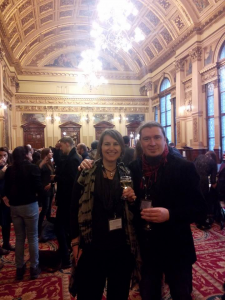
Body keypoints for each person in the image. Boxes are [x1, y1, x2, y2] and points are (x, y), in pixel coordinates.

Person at [128, 121, 206, 300]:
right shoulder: (133, 168)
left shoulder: (184, 168)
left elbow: (200, 209)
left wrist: (170, 214)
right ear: (140, 142)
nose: (152, 143)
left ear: (165, 140)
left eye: (157, 137)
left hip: (176, 245)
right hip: (146, 248)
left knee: (181, 294)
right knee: (149, 294)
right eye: (147, 139)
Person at [70, 129, 140, 300]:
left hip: (121, 246)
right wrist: (74, 241)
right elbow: (73, 207)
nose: (111, 148)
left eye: (115, 144)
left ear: (122, 148)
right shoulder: (86, 171)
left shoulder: (127, 173)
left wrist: (133, 200)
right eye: (107, 144)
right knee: (89, 293)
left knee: (118, 294)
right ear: (100, 147)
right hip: (92, 245)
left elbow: (134, 209)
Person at [3, 146, 44, 280]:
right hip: (30, 205)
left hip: (15, 206)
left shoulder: (10, 170)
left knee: (20, 238)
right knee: (32, 237)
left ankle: (19, 268)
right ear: (26, 155)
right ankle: (34, 267)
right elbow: (39, 188)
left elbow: (6, 188)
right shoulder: (33, 168)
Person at [52, 136, 81, 268]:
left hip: (68, 200)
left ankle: (65, 257)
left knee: (59, 227)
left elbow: (73, 181)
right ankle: (67, 252)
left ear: (67, 144)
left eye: (61, 146)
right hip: (66, 199)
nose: (60, 148)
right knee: (65, 227)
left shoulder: (74, 159)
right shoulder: (71, 157)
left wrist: (57, 177)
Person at [194, 151, 217, 229]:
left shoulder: (199, 156)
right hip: (203, 181)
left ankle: (195, 218)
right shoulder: (213, 162)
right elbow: (213, 181)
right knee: (203, 200)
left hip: (193, 179)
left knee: (196, 199)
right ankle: (202, 220)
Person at [0, 147, 14, 254]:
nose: (2, 158)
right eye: (0, 156)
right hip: (1, 199)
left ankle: (6, 243)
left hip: (7, 201)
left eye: (4, 156)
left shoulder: (8, 167)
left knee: (6, 223)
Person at [38, 148, 55, 235]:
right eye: (50, 152)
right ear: (46, 154)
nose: (52, 153)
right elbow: (38, 173)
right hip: (45, 189)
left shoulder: (49, 163)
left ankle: (47, 225)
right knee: (45, 208)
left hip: (50, 187)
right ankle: (38, 227)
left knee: (48, 209)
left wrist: (51, 184)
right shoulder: (41, 162)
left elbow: (51, 175)